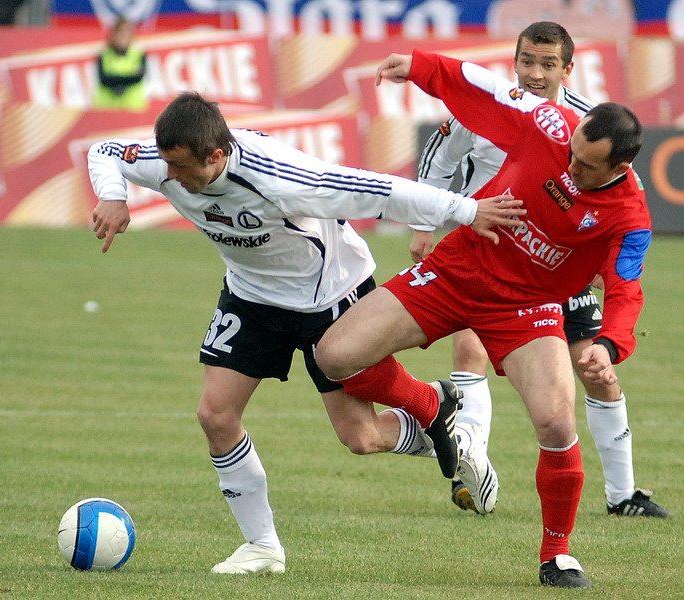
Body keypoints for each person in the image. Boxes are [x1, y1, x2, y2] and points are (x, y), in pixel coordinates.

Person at [88, 92, 524, 575]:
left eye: (179, 168)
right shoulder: (164, 160)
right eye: (164, 164)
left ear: (216, 156)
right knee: (215, 414)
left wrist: (466, 211)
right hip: (251, 298)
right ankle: (263, 547)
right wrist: (113, 194)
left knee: (359, 437)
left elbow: (380, 190)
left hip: (329, 297)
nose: (167, 177)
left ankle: (440, 420)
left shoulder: (281, 177)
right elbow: (104, 151)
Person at [316, 50, 652, 588]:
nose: (571, 168)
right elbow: (485, 87)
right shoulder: (551, 125)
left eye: (587, 167)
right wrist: (422, 68)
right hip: (458, 269)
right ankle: (430, 403)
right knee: (334, 356)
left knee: (556, 423)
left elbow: (626, 289)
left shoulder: (630, 216)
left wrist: (608, 346)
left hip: (527, 309)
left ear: (620, 168)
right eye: (572, 153)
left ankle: (557, 555)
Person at [413, 22, 669, 519]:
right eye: (527, 61)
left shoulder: (583, 126)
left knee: (597, 370)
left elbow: (620, 199)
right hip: (488, 247)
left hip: (558, 263)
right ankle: (473, 465)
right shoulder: (493, 107)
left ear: (567, 69)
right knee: (470, 348)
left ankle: (623, 495)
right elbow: (440, 155)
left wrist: (600, 256)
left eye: (547, 64)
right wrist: (425, 221)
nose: (534, 73)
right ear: (515, 61)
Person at [94, 16, 148, 111]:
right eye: (120, 33)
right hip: (107, 109)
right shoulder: (104, 55)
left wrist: (116, 80)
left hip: (133, 108)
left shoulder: (138, 55)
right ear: (113, 35)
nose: (123, 37)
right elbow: (104, 79)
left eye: (126, 33)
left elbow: (138, 77)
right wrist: (127, 78)